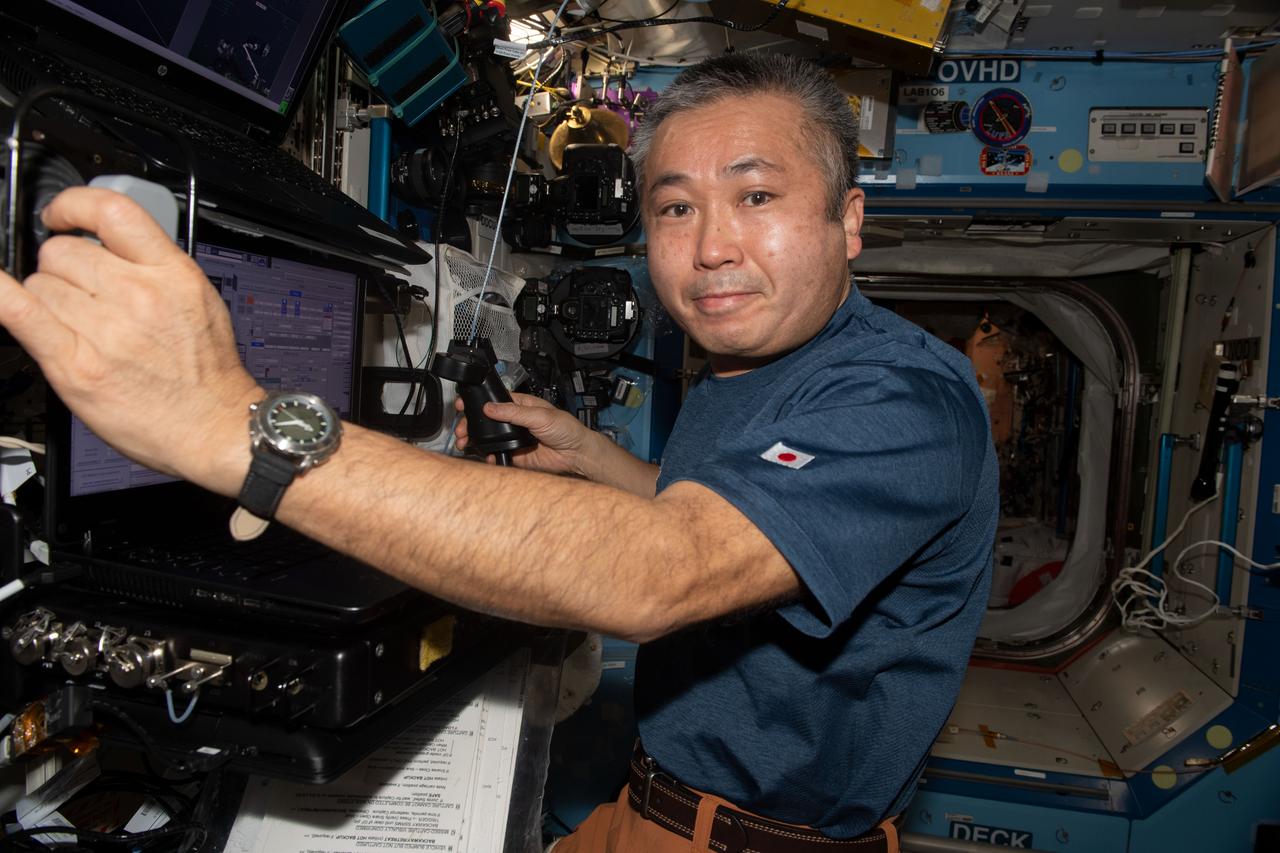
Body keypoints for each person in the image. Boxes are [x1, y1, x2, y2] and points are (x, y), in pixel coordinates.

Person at [0, 53, 995, 853]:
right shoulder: (752, 364)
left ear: (848, 222)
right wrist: (602, 463)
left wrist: (236, 428)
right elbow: (733, 519)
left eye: (756, 198)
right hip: (650, 801)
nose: (710, 247)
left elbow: (670, 566)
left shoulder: (901, 397)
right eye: (674, 207)